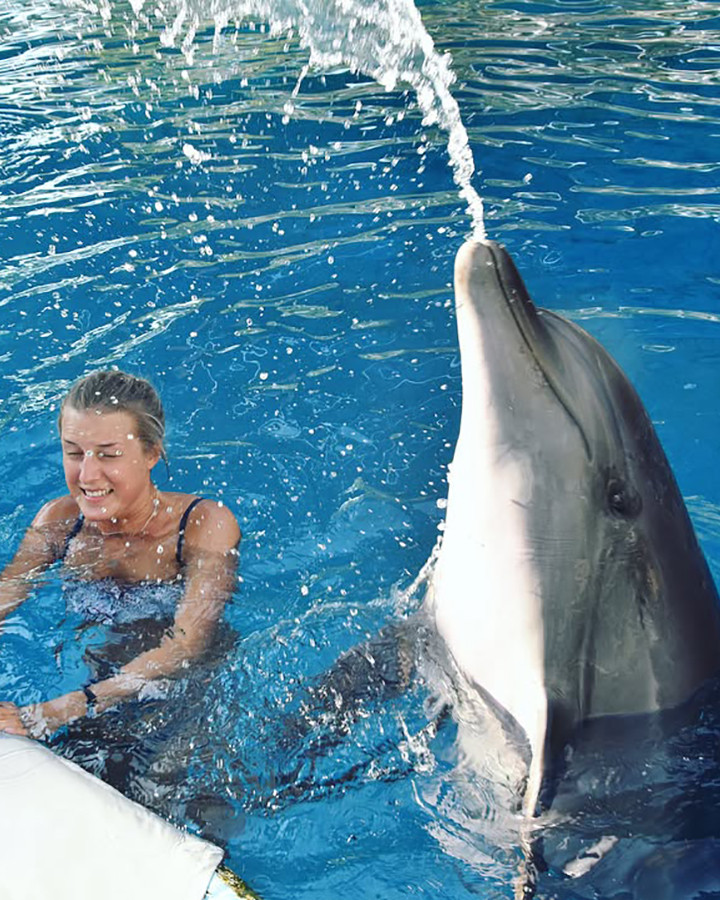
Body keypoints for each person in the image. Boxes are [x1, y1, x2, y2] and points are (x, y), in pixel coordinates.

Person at [0, 369, 241, 743]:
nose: (88, 475)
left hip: (186, 694)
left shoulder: (202, 526)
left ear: (151, 454)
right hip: (97, 674)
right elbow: (8, 592)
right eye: (74, 453)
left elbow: (186, 644)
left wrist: (60, 710)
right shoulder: (60, 521)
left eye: (109, 455)